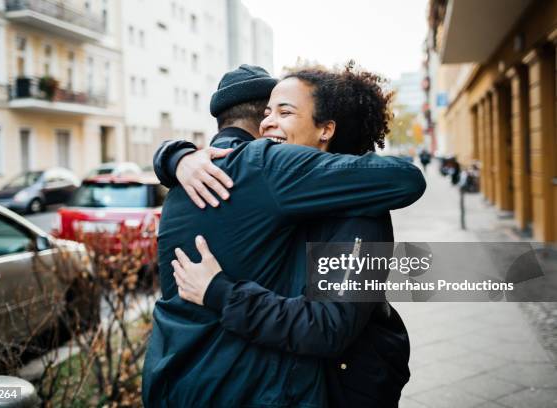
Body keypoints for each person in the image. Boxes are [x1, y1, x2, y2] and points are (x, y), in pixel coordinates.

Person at [142, 64, 425, 407]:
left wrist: (222, 293)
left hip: (349, 387)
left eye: (284, 111)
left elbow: (331, 327)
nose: (268, 123)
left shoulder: (361, 213)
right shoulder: (277, 191)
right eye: (266, 112)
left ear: (326, 129)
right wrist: (175, 155)